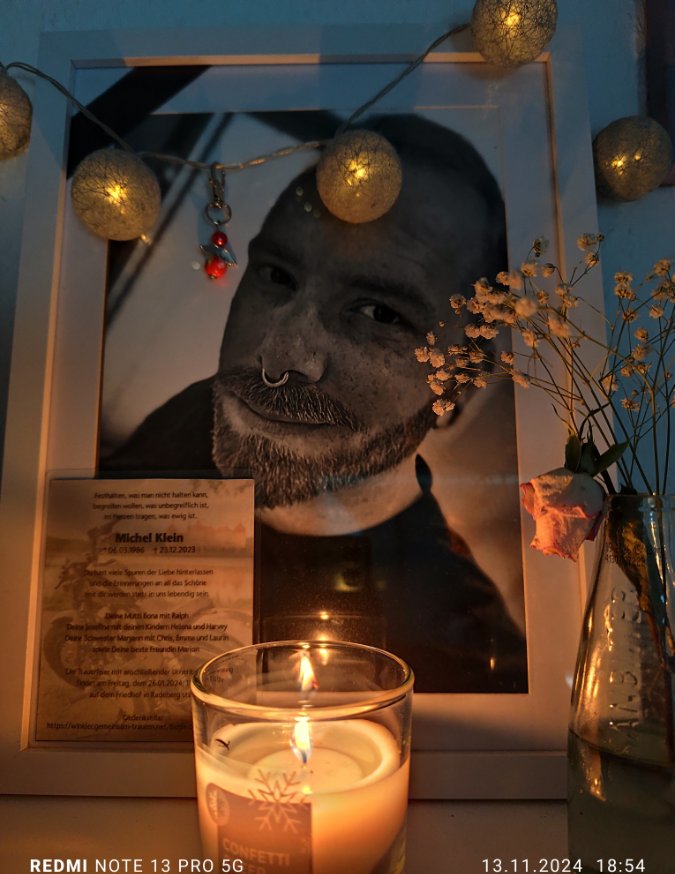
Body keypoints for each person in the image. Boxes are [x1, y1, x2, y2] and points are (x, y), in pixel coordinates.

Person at [101, 114, 527, 692]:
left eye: (379, 313)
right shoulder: (202, 416)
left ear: (458, 384)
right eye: (277, 275)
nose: (277, 359)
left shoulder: (467, 652)